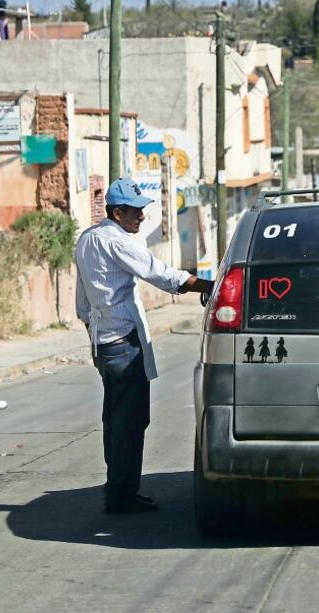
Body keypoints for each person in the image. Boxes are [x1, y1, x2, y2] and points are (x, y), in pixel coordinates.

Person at [76, 178, 214, 514]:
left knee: (117, 420)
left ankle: (119, 488)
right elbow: (162, 274)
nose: (141, 217)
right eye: (136, 212)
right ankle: (121, 494)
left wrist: (93, 332)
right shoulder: (116, 241)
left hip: (104, 341)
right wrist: (210, 285)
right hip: (122, 343)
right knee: (129, 420)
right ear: (117, 211)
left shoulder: (87, 239)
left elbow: (82, 300)